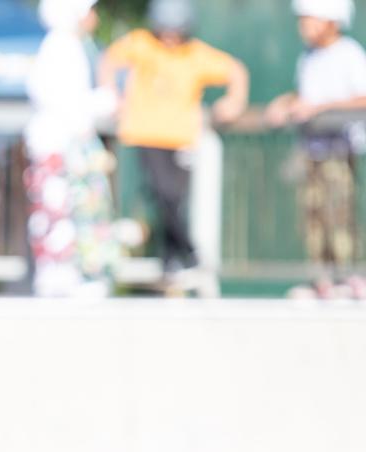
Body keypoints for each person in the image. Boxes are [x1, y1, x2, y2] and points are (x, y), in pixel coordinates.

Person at [99, 0, 250, 288]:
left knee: (173, 201)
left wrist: (235, 101)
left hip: (180, 137)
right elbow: (109, 60)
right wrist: (112, 93)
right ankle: (189, 251)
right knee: (163, 193)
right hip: (145, 134)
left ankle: (171, 259)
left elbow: (236, 71)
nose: (169, 37)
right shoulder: (141, 44)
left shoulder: (195, 54)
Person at [25, 0, 132, 297]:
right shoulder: (61, 46)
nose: (95, 17)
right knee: (60, 209)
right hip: (60, 145)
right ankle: (64, 272)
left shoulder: (71, 45)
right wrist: (105, 102)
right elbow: (60, 99)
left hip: (69, 143)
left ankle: (77, 270)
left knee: (76, 208)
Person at [266, 0, 366, 300]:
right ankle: (321, 279)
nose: (303, 26)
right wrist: (285, 104)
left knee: (338, 214)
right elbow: (304, 95)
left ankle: (347, 278)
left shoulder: (349, 54)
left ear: (330, 21)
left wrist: (318, 109)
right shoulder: (308, 57)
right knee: (312, 216)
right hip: (311, 150)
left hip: (339, 149)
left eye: (310, 19)